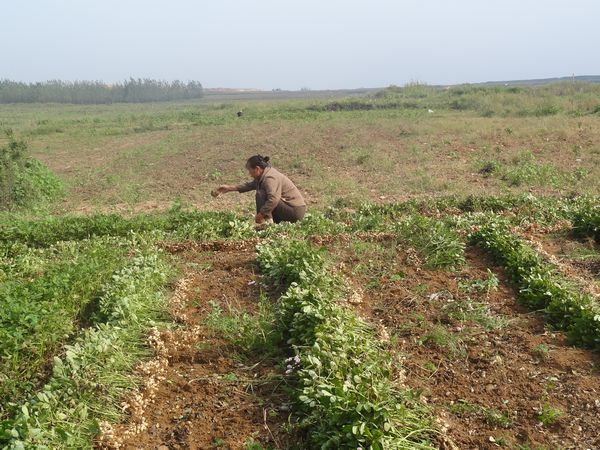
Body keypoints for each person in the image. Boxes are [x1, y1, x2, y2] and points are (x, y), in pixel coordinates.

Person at [213, 155, 306, 225]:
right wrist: (229, 188)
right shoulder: (265, 175)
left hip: (294, 211)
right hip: (291, 209)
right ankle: (269, 222)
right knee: (262, 193)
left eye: (250, 171)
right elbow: (251, 185)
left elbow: (274, 199)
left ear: (257, 169)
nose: (250, 174)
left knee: (261, 194)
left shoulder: (270, 178)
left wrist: (261, 214)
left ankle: (266, 223)